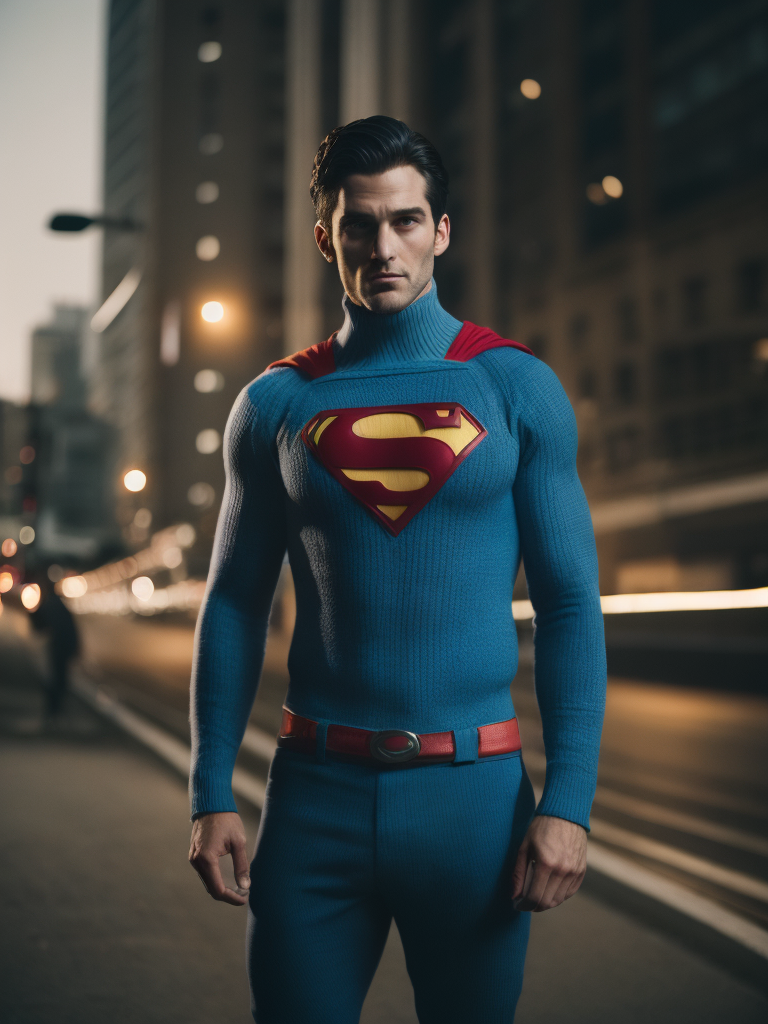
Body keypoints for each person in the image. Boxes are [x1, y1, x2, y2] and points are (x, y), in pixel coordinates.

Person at [189, 116, 607, 1023]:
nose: (385, 247)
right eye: (360, 226)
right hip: (313, 802)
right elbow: (231, 602)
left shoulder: (514, 386)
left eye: (407, 221)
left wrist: (570, 803)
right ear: (326, 238)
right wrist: (209, 788)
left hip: (473, 805)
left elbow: (571, 602)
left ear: (441, 230)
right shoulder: (274, 402)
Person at [29, 577, 80, 719]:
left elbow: (38, 627)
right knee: (61, 678)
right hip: (64, 647)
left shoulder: (48, 605)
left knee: (52, 679)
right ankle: (58, 709)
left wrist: (31, 611)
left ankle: (53, 710)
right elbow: (72, 629)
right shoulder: (61, 605)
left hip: (56, 648)